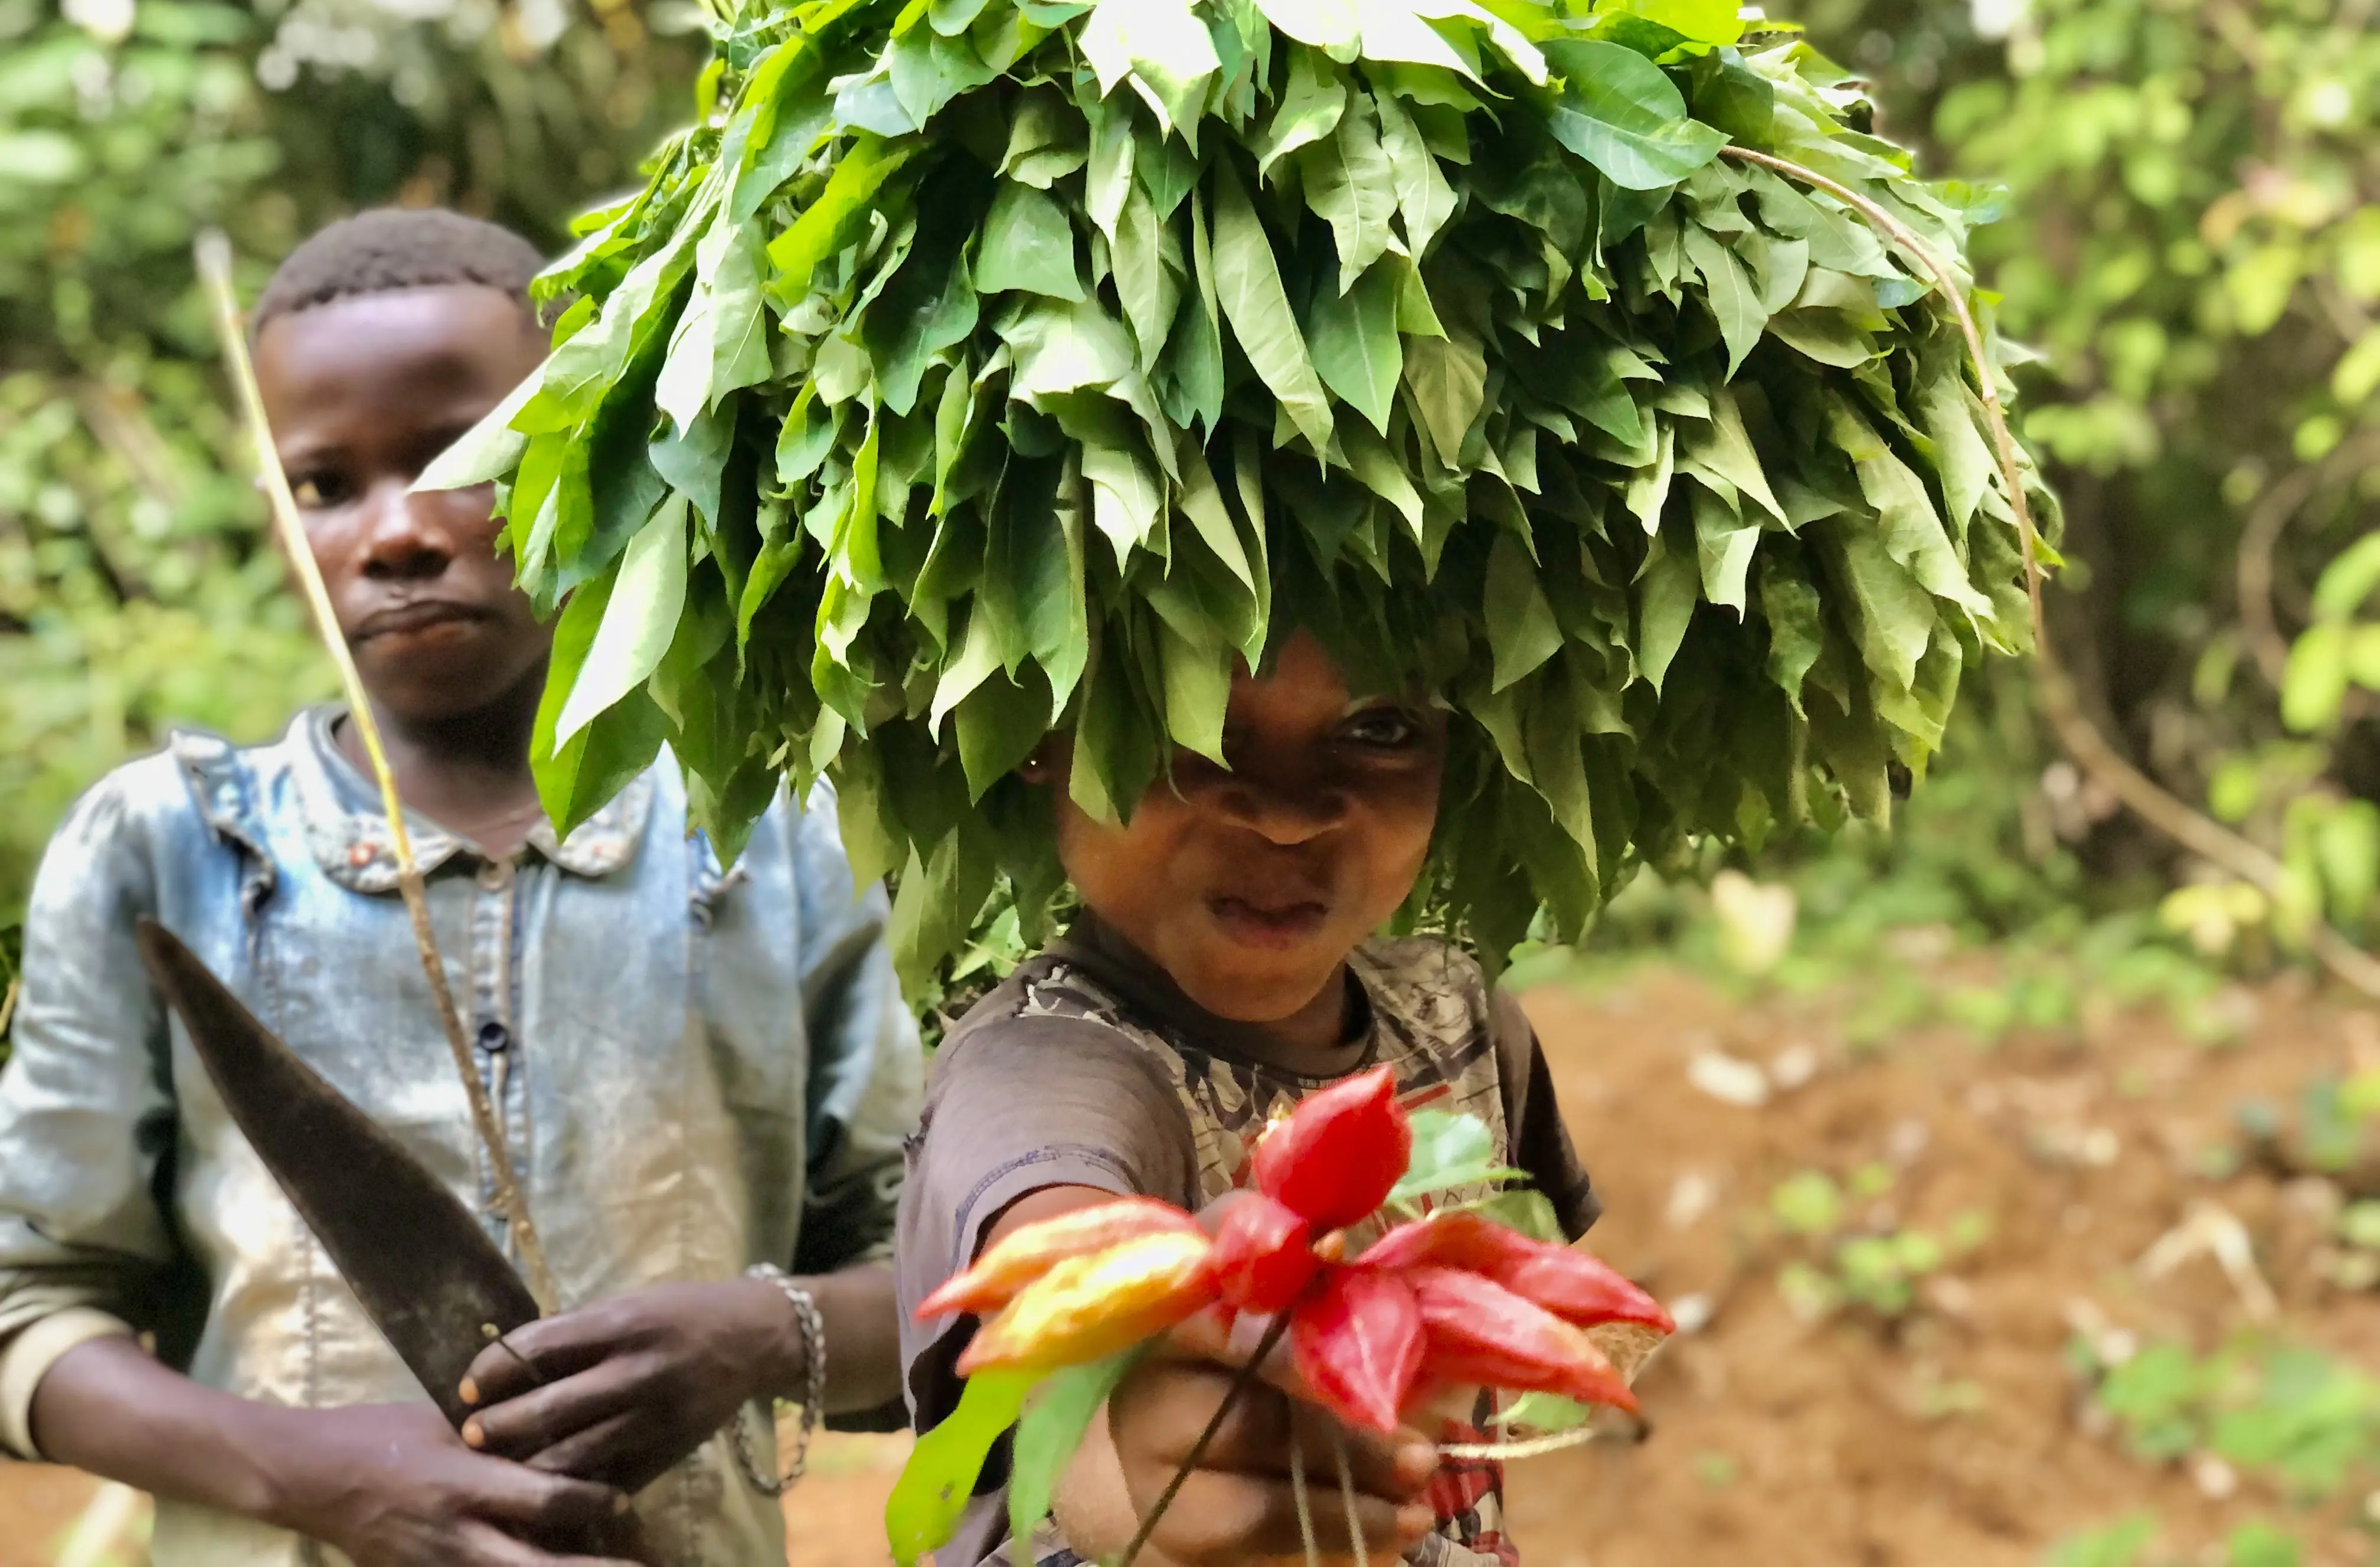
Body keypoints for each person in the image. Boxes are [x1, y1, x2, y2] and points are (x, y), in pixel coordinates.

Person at [0, 209, 924, 1567]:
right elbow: (25, 1305)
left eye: (457, 460)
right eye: (326, 485)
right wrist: (307, 1473)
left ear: (595, 458)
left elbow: (953, 1301)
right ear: (279, 521)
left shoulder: (770, 844)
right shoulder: (161, 850)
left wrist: (754, 1336)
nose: (394, 534)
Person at [896, 630, 1602, 1567]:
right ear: (1038, 734)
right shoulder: (1038, 1067)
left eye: (1380, 727)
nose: (1284, 815)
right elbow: (1052, 1276)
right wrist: (1145, 1473)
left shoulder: (1458, 1016)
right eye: (1188, 719)